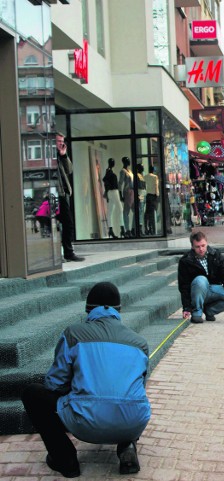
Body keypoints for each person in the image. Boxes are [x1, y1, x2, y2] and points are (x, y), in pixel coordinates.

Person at [21, 282, 150, 477]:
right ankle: (127, 447)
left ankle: (66, 460)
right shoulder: (140, 343)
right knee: (129, 395)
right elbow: (139, 385)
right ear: (119, 310)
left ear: (89, 310)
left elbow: (55, 383)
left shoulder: (73, 334)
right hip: (134, 422)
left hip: (85, 423)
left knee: (32, 393)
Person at [178, 231, 224, 323]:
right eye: (197, 246)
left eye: (203, 245)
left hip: (213, 289)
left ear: (207, 243)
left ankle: (210, 310)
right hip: (197, 292)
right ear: (192, 247)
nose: (201, 249)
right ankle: (197, 313)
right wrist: (186, 308)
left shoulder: (216, 254)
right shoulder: (185, 261)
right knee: (201, 280)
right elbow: (184, 286)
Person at [55, 133, 84, 261]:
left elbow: (69, 170)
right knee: (66, 223)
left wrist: (64, 155)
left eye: (62, 141)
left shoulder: (60, 156)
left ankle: (67, 252)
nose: (61, 143)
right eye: (58, 141)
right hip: (56, 195)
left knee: (65, 224)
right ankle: (67, 252)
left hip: (64, 193)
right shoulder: (49, 156)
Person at [103, 158, 125, 239]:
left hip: (111, 192)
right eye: (113, 162)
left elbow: (105, 181)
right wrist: (107, 192)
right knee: (120, 209)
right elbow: (105, 180)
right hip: (113, 191)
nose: (113, 163)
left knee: (110, 211)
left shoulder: (108, 171)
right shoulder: (109, 171)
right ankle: (122, 229)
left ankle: (111, 230)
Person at [118, 157, 135, 237]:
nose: (129, 161)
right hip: (127, 192)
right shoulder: (123, 171)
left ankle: (132, 228)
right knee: (126, 212)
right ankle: (127, 229)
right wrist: (120, 194)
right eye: (127, 160)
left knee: (136, 211)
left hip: (132, 192)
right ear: (124, 162)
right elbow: (120, 183)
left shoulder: (130, 171)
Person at [144, 165, 159, 235]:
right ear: (153, 170)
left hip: (147, 196)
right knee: (153, 213)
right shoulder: (155, 177)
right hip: (153, 196)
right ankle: (152, 229)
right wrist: (157, 195)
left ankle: (148, 227)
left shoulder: (145, 177)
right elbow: (156, 186)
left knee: (148, 212)